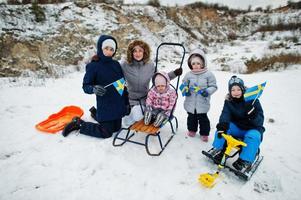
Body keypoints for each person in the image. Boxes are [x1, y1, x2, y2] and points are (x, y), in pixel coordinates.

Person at [62, 35, 129, 138]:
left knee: (116, 129)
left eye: (111, 49)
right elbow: (86, 86)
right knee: (106, 133)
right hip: (105, 105)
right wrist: (93, 88)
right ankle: (79, 124)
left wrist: (126, 103)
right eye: (106, 48)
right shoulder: (94, 66)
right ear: (100, 48)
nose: (109, 51)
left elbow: (122, 85)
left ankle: (95, 113)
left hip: (117, 105)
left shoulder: (116, 64)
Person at [210, 75, 265, 171]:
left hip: (252, 128)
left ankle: (244, 160)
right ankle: (220, 150)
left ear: (243, 89)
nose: (236, 92)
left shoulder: (253, 100)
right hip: (237, 126)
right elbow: (225, 115)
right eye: (233, 90)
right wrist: (222, 125)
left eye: (238, 89)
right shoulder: (229, 102)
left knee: (254, 136)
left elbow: (260, 121)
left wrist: (253, 115)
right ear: (230, 91)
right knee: (223, 130)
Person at [182, 49, 217, 142]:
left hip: (202, 102)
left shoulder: (208, 74)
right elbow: (184, 85)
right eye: (193, 64)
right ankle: (192, 130)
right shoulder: (188, 75)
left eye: (198, 63)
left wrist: (207, 91)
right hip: (190, 102)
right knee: (191, 118)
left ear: (202, 64)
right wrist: (186, 90)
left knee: (203, 119)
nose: (196, 65)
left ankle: (204, 133)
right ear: (190, 64)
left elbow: (213, 86)